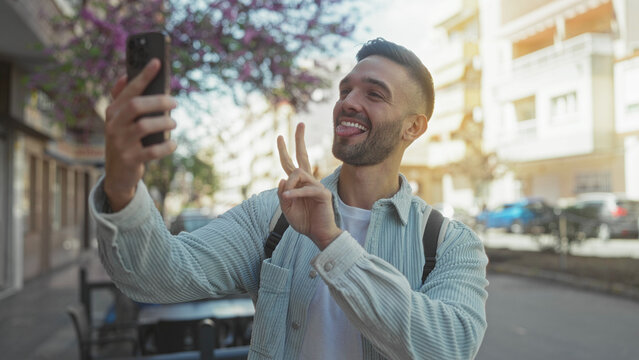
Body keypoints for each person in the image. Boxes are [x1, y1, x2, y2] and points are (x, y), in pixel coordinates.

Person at [90, 38, 488, 360]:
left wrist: (331, 242)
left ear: (413, 128)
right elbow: (156, 277)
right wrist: (123, 186)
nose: (348, 101)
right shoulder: (273, 213)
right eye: (346, 89)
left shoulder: (450, 243)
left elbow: (449, 348)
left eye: (374, 94)